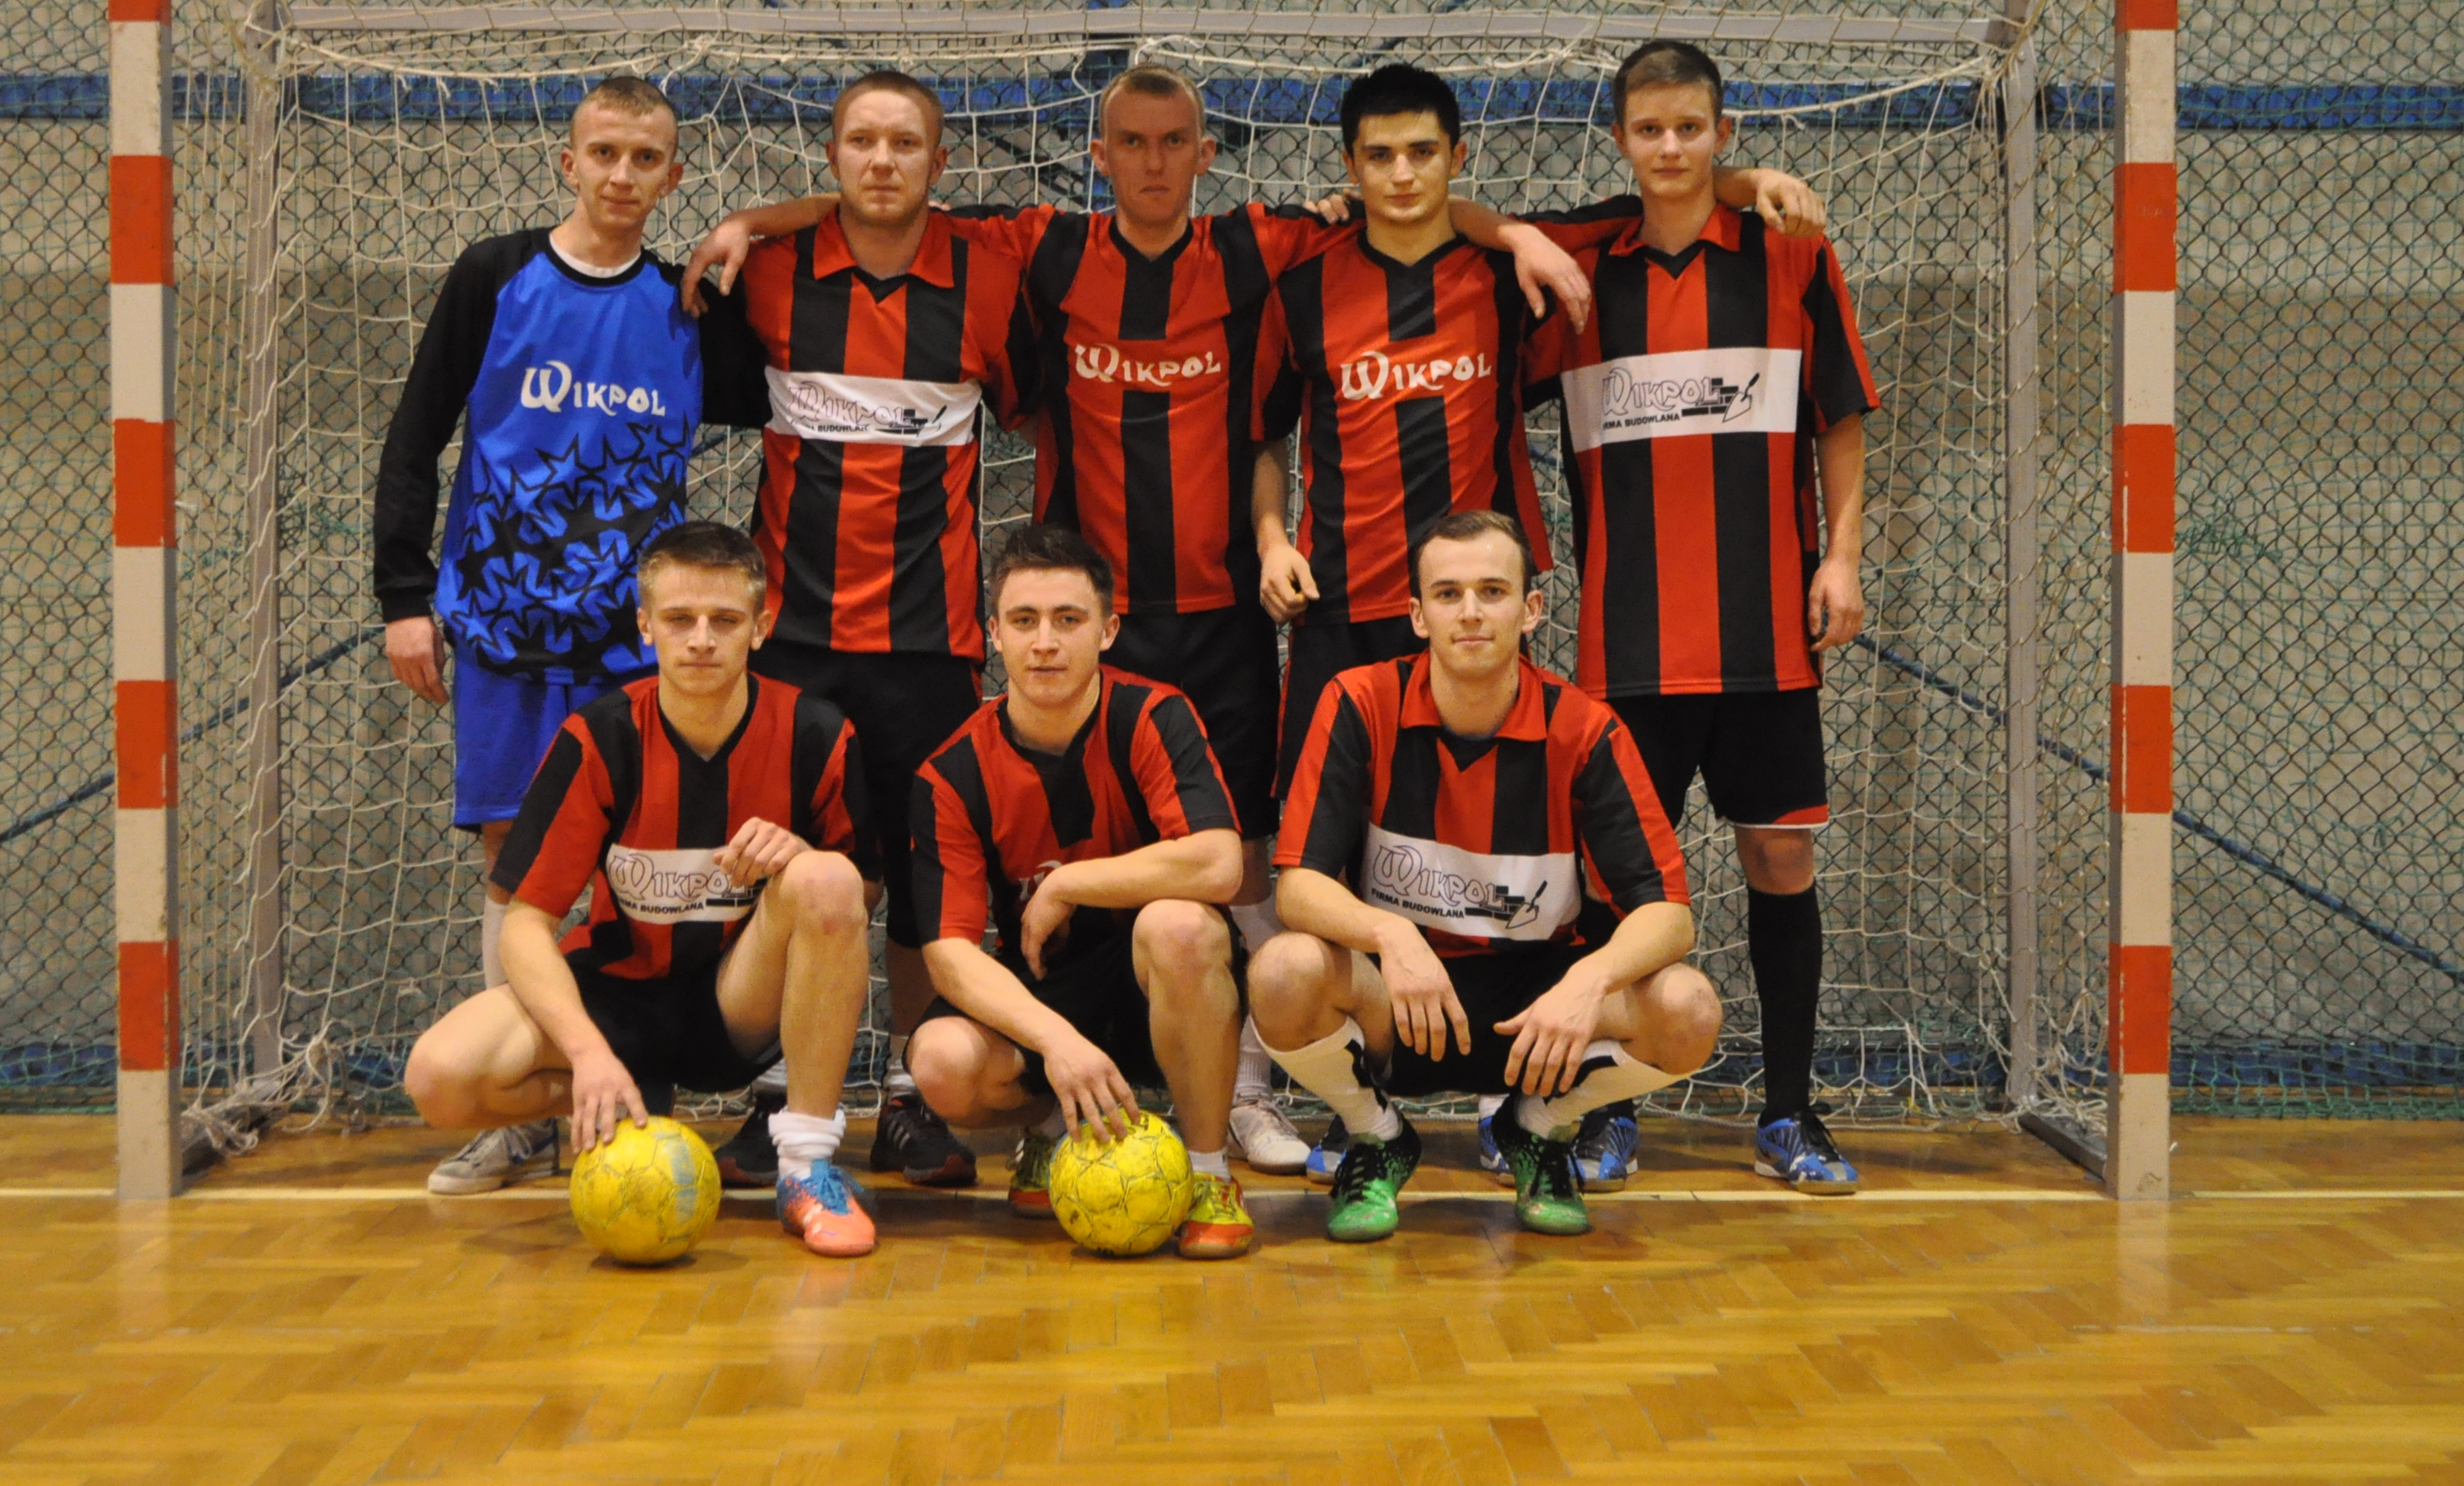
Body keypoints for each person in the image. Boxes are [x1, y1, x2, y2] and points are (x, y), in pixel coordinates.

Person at [682, 62, 1803, 1177]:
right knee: (936, 855)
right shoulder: (1046, 248)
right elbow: (890, 201)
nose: (1153, 162)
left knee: (1255, 863)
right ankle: (916, 1093)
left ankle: (1257, 1094)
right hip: (1091, 619)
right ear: (1097, 155)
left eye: (1175, 142)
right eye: (1132, 143)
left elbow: (1419, 209)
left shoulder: (1262, 246)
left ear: (1207, 155)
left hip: (1223, 618)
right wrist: (747, 222)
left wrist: (1538, 224)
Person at [1245, 63, 1812, 1181]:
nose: (1401, 174)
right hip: (1345, 609)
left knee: (1501, 846)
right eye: (1378, 156)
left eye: (1423, 153)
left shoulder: (1510, 279)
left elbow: (1662, 190)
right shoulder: (1304, 284)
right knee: (1325, 868)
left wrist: (1741, 182)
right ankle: (1351, 1104)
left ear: (1459, 160)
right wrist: (1271, 539)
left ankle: (1521, 1085)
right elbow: (1267, 434)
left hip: (1475, 618)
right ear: (1349, 166)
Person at [372, 75, 755, 1196]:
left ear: (674, 176)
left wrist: (752, 229)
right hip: (503, 632)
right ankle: (528, 1114)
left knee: (639, 870)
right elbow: (415, 434)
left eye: (646, 158)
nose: (622, 175)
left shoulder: (691, 306)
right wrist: (403, 595)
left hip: (639, 652)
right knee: (515, 861)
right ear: (567, 163)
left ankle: (641, 1095)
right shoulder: (496, 276)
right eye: (604, 153)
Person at [1532, 40, 1881, 1194]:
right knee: (1621, 887)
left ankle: (1789, 1114)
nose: (1672, 147)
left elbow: (1839, 415)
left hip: (1765, 634)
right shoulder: (1578, 272)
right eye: (1650, 130)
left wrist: (1842, 558)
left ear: (1724, 132)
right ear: (1620, 141)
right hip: (1625, 645)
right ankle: (1608, 1111)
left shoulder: (1792, 253)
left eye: (1693, 128)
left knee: (1780, 856)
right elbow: (1466, 236)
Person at [696, 71, 1039, 1189]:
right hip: (791, 644)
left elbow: (1034, 409)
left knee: (923, 876)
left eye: (905, 143)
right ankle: (777, 1099)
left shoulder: (990, 278)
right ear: (832, 157)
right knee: (795, 876)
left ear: (942, 162)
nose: (882, 161)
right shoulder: (771, 273)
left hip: (930, 647)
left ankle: (906, 1098)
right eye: (861, 141)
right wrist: (752, 220)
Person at [401, 522, 881, 1256]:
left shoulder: (814, 733)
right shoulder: (599, 736)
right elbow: (526, 922)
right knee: (438, 1078)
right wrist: (588, 1054)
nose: (701, 640)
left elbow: (859, 897)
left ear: (761, 628)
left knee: (826, 875)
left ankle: (807, 1168)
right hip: (618, 1001)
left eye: (725, 621)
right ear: (645, 626)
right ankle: (627, 1099)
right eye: (680, 619)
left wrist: (800, 859)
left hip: (738, 1003)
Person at [1251, 510, 1722, 1241]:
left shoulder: (1586, 730)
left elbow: (1669, 915)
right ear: (1418, 615)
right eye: (1447, 594)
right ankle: (1375, 1136)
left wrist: (1588, 982)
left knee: (1689, 1008)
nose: (1470, 612)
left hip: (1536, 1016)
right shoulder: (1359, 701)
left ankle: (1539, 1128)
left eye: (1493, 591)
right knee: (1283, 971)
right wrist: (1391, 934)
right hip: (1399, 1000)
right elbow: (1298, 887)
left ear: (1530, 609)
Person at [902, 525, 1256, 1258]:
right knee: (939, 1060)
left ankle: (1209, 1172)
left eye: (1068, 619)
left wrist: (1070, 883)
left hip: (1162, 981)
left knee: (1178, 926)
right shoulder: (951, 772)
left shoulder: (1154, 714)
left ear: (1108, 630)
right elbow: (947, 956)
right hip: (1048, 989)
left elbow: (1220, 863)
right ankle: (1048, 1127)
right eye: (1024, 620)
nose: (1045, 643)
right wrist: (1057, 1042)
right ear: (993, 633)